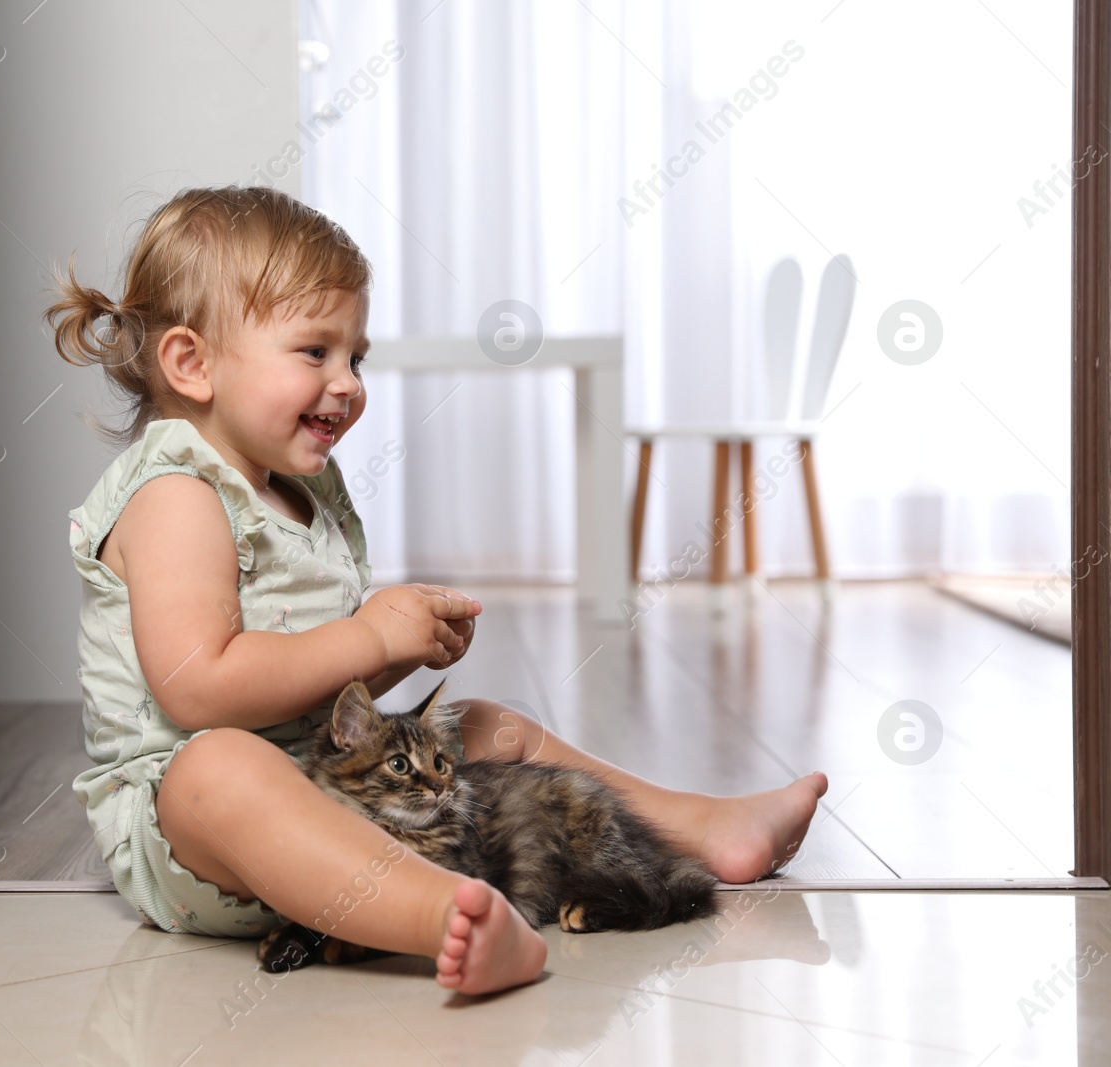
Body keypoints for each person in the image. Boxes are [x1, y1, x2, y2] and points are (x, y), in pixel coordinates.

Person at [55, 186, 828, 995]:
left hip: (342, 791)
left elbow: (308, 689)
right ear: (193, 363)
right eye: (314, 352)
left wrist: (395, 657)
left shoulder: (299, 491)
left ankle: (694, 827)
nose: (348, 382)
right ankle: (446, 914)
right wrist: (369, 638)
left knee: (488, 729)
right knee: (217, 770)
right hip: (196, 835)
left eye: (357, 357)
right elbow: (200, 689)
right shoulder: (176, 492)